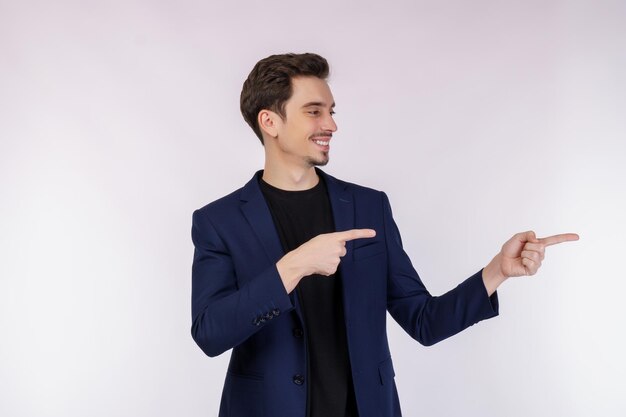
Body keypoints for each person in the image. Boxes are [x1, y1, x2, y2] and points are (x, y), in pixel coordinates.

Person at [190, 52, 578, 417]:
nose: (331, 124)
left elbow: (425, 321)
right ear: (269, 121)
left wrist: (497, 271)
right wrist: (291, 268)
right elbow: (209, 333)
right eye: (314, 112)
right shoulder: (219, 221)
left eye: (331, 111)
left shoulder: (367, 206)